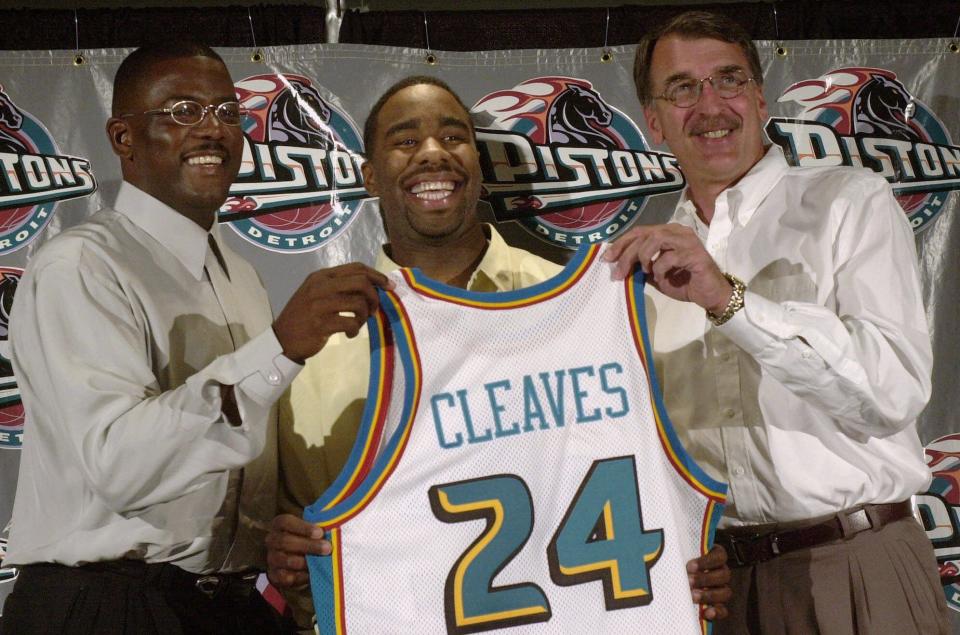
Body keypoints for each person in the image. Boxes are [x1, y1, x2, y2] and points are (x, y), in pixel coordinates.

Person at [266, 75, 732, 631]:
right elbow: (307, 549)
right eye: (406, 141)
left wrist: (686, 551)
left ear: (480, 165)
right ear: (370, 175)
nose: (433, 154)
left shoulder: (589, 312)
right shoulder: (324, 344)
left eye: (453, 136)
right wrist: (294, 565)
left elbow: (654, 484)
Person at [1, 42, 389, 635]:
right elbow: (118, 464)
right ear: (123, 138)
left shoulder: (240, 276)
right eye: (182, 111)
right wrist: (278, 348)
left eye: (226, 112)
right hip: (106, 604)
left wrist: (278, 529)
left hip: (224, 603)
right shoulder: (81, 267)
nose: (212, 130)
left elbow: (241, 465)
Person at [603, 10, 950, 635]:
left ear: (759, 96)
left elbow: (891, 392)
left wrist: (728, 301)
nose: (710, 106)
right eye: (683, 88)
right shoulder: (635, 272)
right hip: (726, 588)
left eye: (728, 81)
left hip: (858, 564)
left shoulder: (849, 203)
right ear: (652, 120)